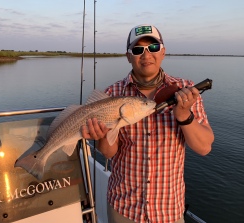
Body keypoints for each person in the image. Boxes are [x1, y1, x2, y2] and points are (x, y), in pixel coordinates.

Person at [81, 24, 214, 223]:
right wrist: (100, 135)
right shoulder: (112, 93)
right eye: (137, 50)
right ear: (128, 56)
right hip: (123, 207)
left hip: (168, 210)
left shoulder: (186, 89)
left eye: (153, 47)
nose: (146, 55)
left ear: (163, 52)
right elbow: (109, 153)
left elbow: (204, 147)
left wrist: (184, 115)